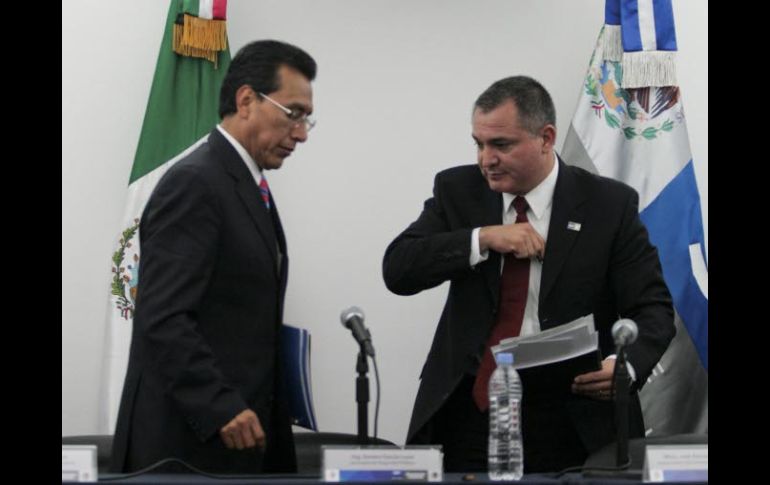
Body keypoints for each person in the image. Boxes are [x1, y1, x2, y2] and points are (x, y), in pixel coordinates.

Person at [382, 76, 675, 473]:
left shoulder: (608, 205)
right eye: (479, 144)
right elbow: (399, 268)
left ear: (546, 137)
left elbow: (652, 309)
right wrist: (482, 238)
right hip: (472, 407)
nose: (486, 159)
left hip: (571, 416)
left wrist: (627, 365)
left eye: (501, 144)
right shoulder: (458, 190)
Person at [110, 40, 317, 474]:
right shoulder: (196, 183)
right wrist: (219, 405)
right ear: (246, 100)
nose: (300, 133)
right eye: (293, 113)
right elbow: (163, 316)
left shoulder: (243, 182)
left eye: (306, 119)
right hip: (190, 445)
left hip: (239, 439)